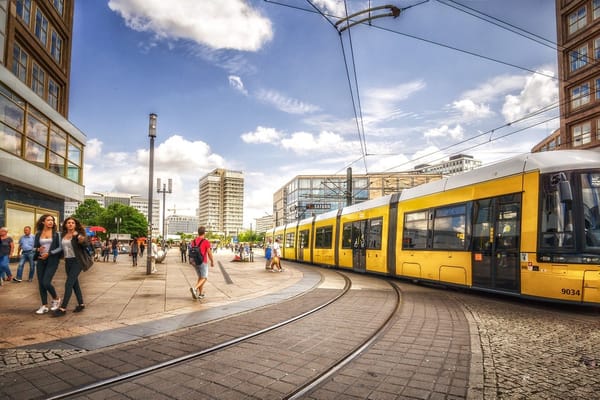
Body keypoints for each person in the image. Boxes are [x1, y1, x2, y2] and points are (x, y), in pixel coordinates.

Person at [53, 217, 88, 317]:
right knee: (74, 284)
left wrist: (80, 239)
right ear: (65, 225)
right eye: (68, 223)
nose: (70, 224)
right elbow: (61, 248)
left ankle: (63, 308)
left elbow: (85, 244)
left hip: (77, 261)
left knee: (68, 284)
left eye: (72, 223)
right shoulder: (63, 234)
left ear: (75, 225)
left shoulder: (78, 234)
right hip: (68, 261)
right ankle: (81, 304)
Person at [33, 215, 62, 314]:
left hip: (52, 260)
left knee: (46, 282)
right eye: (48, 220)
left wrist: (49, 254)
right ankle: (44, 305)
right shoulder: (38, 234)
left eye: (52, 220)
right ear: (43, 222)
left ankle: (56, 298)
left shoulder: (56, 234)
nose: (51, 222)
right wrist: (37, 249)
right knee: (41, 284)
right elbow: (33, 248)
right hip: (40, 260)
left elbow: (60, 248)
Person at [189, 226, 214, 300]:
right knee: (205, 277)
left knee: (200, 277)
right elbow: (209, 253)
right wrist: (212, 261)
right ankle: (195, 288)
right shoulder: (206, 241)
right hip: (203, 262)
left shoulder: (193, 241)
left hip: (195, 262)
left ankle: (200, 294)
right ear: (204, 233)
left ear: (198, 232)